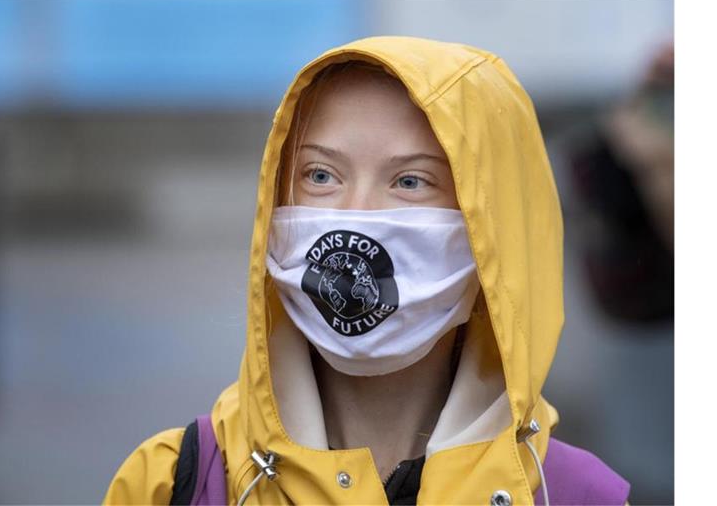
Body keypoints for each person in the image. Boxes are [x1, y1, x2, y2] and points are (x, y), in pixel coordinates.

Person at [103, 36, 631, 505]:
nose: (358, 214)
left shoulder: (577, 495)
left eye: (410, 182)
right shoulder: (173, 482)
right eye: (320, 174)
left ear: (495, 230)